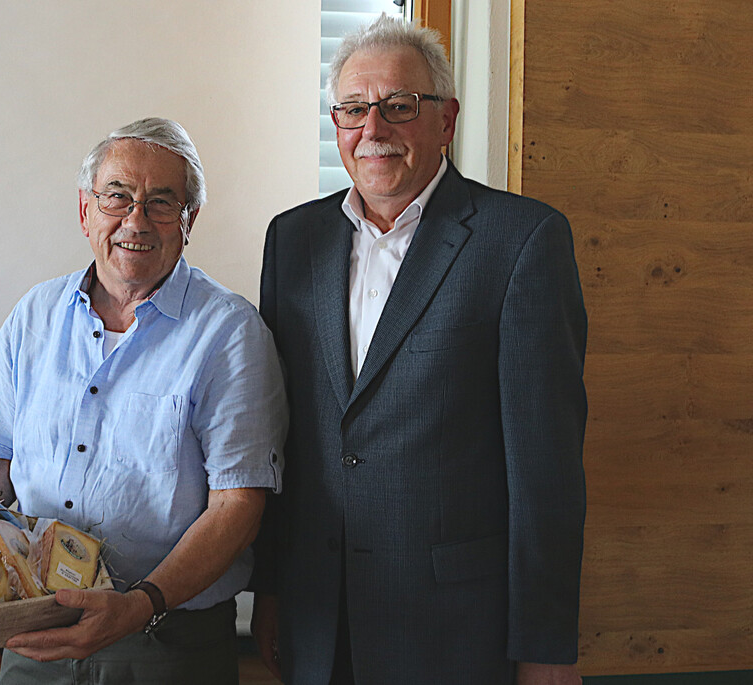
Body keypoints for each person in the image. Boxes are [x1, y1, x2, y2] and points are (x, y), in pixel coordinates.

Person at [250, 15, 587, 685]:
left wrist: (546, 645)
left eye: (399, 106)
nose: (373, 129)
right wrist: (273, 591)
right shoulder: (292, 241)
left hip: (458, 629)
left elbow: (546, 468)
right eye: (353, 109)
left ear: (446, 118)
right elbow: (280, 435)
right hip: (319, 621)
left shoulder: (522, 242)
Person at [0, 117, 287, 684]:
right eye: (118, 197)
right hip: (31, 631)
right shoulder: (34, 315)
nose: (135, 220)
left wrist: (140, 605)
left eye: (162, 202)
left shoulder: (230, 333)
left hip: (163, 643)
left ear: (189, 222)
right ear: (85, 210)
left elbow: (238, 506)